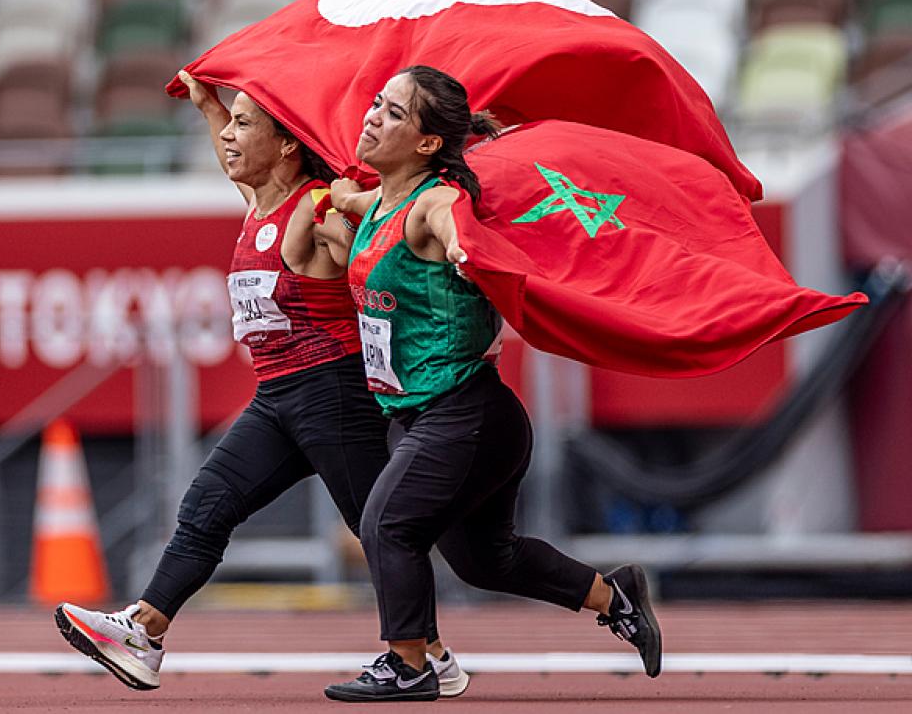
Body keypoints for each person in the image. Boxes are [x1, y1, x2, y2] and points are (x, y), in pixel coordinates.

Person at [53, 71, 470, 696]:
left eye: (244, 125)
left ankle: (427, 654)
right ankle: (143, 633)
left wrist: (356, 234)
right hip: (278, 396)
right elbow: (236, 158)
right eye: (228, 124)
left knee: (382, 530)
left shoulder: (315, 202)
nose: (226, 136)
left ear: (286, 146)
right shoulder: (259, 201)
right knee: (206, 507)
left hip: (333, 388)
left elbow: (368, 246)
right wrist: (208, 103)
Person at [321, 65, 663, 703]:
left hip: (465, 415)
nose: (372, 117)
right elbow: (351, 201)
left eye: (393, 114)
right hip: (431, 420)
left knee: (386, 525)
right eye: (376, 104)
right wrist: (331, 197)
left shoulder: (436, 202)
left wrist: (460, 248)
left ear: (427, 144)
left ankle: (409, 664)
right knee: (486, 561)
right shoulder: (380, 200)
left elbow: (452, 221)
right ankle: (615, 595)